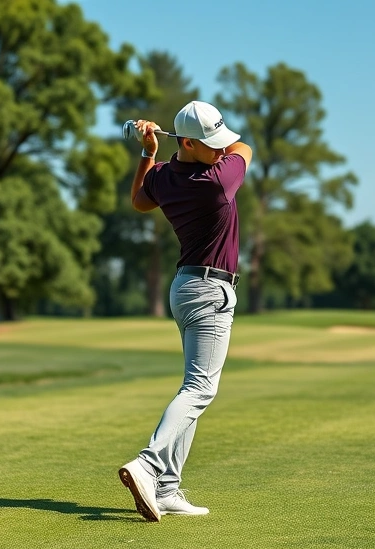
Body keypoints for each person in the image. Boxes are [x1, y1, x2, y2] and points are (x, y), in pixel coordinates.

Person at [118, 101, 253, 522]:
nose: (222, 149)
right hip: (211, 290)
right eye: (211, 144)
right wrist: (218, 147)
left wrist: (147, 151)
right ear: (190, 143)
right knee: (200, 389)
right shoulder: (217, 180)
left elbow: (140, 202)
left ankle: (167, 488)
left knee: (192, 388)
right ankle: (148, 465)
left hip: (186, 288)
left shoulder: (163, 175)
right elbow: (245, 148)